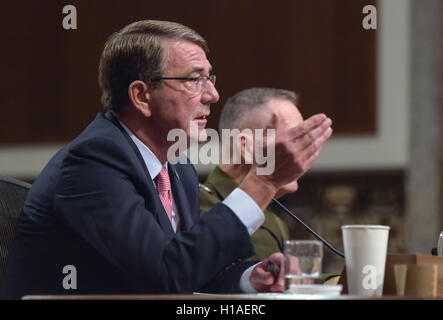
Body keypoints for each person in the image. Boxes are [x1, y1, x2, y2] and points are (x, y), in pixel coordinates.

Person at [0, 20, 332, 298]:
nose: (213, 95)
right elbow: (164, 276)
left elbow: (194, 269)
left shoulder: (177, 167)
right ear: (142, 96)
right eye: (194, 79)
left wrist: (250, 278)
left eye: (210, 78)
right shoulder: (91, 163)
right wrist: (264, 181)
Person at [200, 88, 303, 260]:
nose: (298, 154)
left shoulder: (273, 219)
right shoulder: (199, 205)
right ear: (246, 147)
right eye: (291, 140)